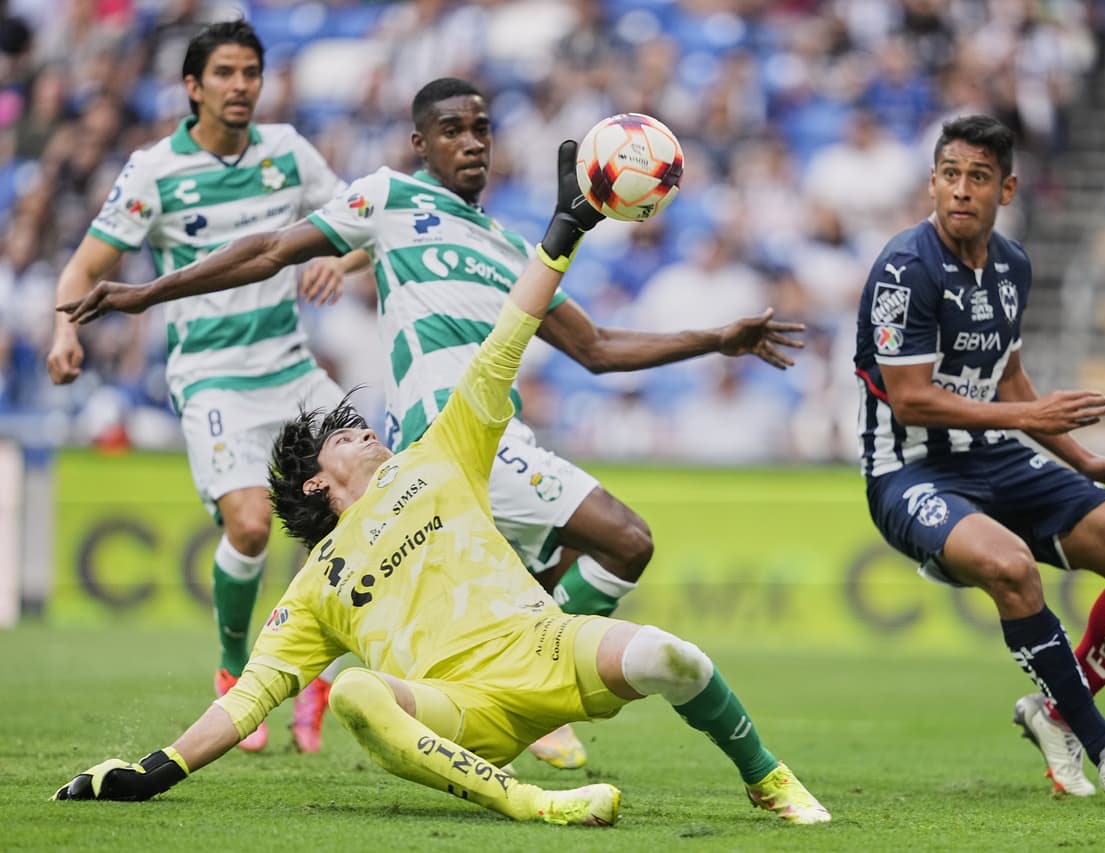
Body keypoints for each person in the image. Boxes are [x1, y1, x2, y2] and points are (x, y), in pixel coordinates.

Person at [52, 144, 832, 828]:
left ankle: (769, 778)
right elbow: (248, 700)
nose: (365, 428)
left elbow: (506, 338)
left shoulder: (438, 454)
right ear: (321, 483)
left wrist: (569, 228)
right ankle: (529, 800)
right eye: (347, 433)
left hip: (549, 648)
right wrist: (155, 769)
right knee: (358, 690)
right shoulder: (316, 587)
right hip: (461, 713)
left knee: (676, 657)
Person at [46, 20, 366, 754]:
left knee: (364, 514)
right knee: (250, 526)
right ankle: (234, 669)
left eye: (251, 72)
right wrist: (66, 329)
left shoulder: (288, 152)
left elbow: (363, 229)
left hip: (291, 365)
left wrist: (339, 264)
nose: (241, 86)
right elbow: (82, 268)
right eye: (224, 73)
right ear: (193, 87)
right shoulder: (154, 170)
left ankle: (313, 670)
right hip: (212, 375)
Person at [852, 115, 1105, 799]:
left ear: (1006, 188)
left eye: (978, 177)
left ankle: (1057, 710)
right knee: (1009, 565)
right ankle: (1104, 744)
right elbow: (912, 400)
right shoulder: (903, 269)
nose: (961, 191)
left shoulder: (1013, 265)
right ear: (932, 182)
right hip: (908, 471)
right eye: (950, 175)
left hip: (999, 457)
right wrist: (1027, 417)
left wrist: (1083, 459)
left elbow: (1010, 381)